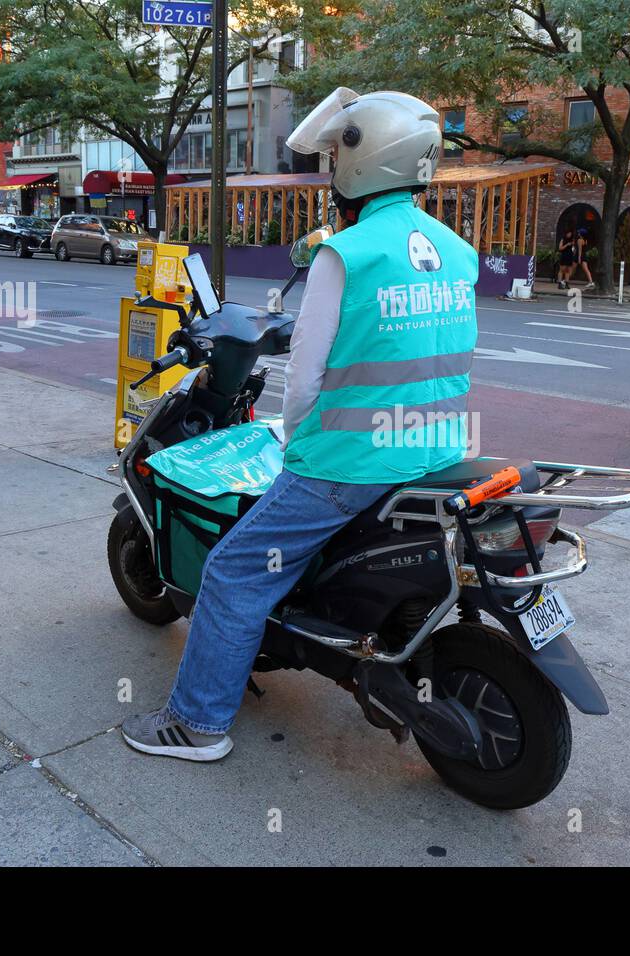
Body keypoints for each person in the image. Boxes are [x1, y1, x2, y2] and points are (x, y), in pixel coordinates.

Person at [120, 88, 480, 762]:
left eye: (332, 159)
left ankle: (197, 724)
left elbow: (305, 381)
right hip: (436, 454)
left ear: (357, 161)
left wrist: (298, 443)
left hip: (349, 467)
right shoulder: (456, 250)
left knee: (233, 573)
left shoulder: (344, 255)